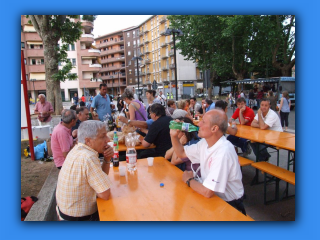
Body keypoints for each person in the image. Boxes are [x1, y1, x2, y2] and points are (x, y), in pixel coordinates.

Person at [170, 109, 246, 215]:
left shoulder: (223, 152)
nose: (199, 123)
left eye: (203, 122)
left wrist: (189, 180)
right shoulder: (204, 143)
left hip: (229, 205)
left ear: (214, 128)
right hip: (214, 197)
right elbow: (182, 153)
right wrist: (173, 136)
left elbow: (207, 192)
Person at [56, 120, 113, 221]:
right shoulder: (88, 157)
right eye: (103, 136)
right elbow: (105, 194)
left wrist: (107, 159)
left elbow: (101, 179)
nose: (108, 140)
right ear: (88, 141)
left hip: (65, 214)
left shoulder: (77, 149)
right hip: (79, 219)